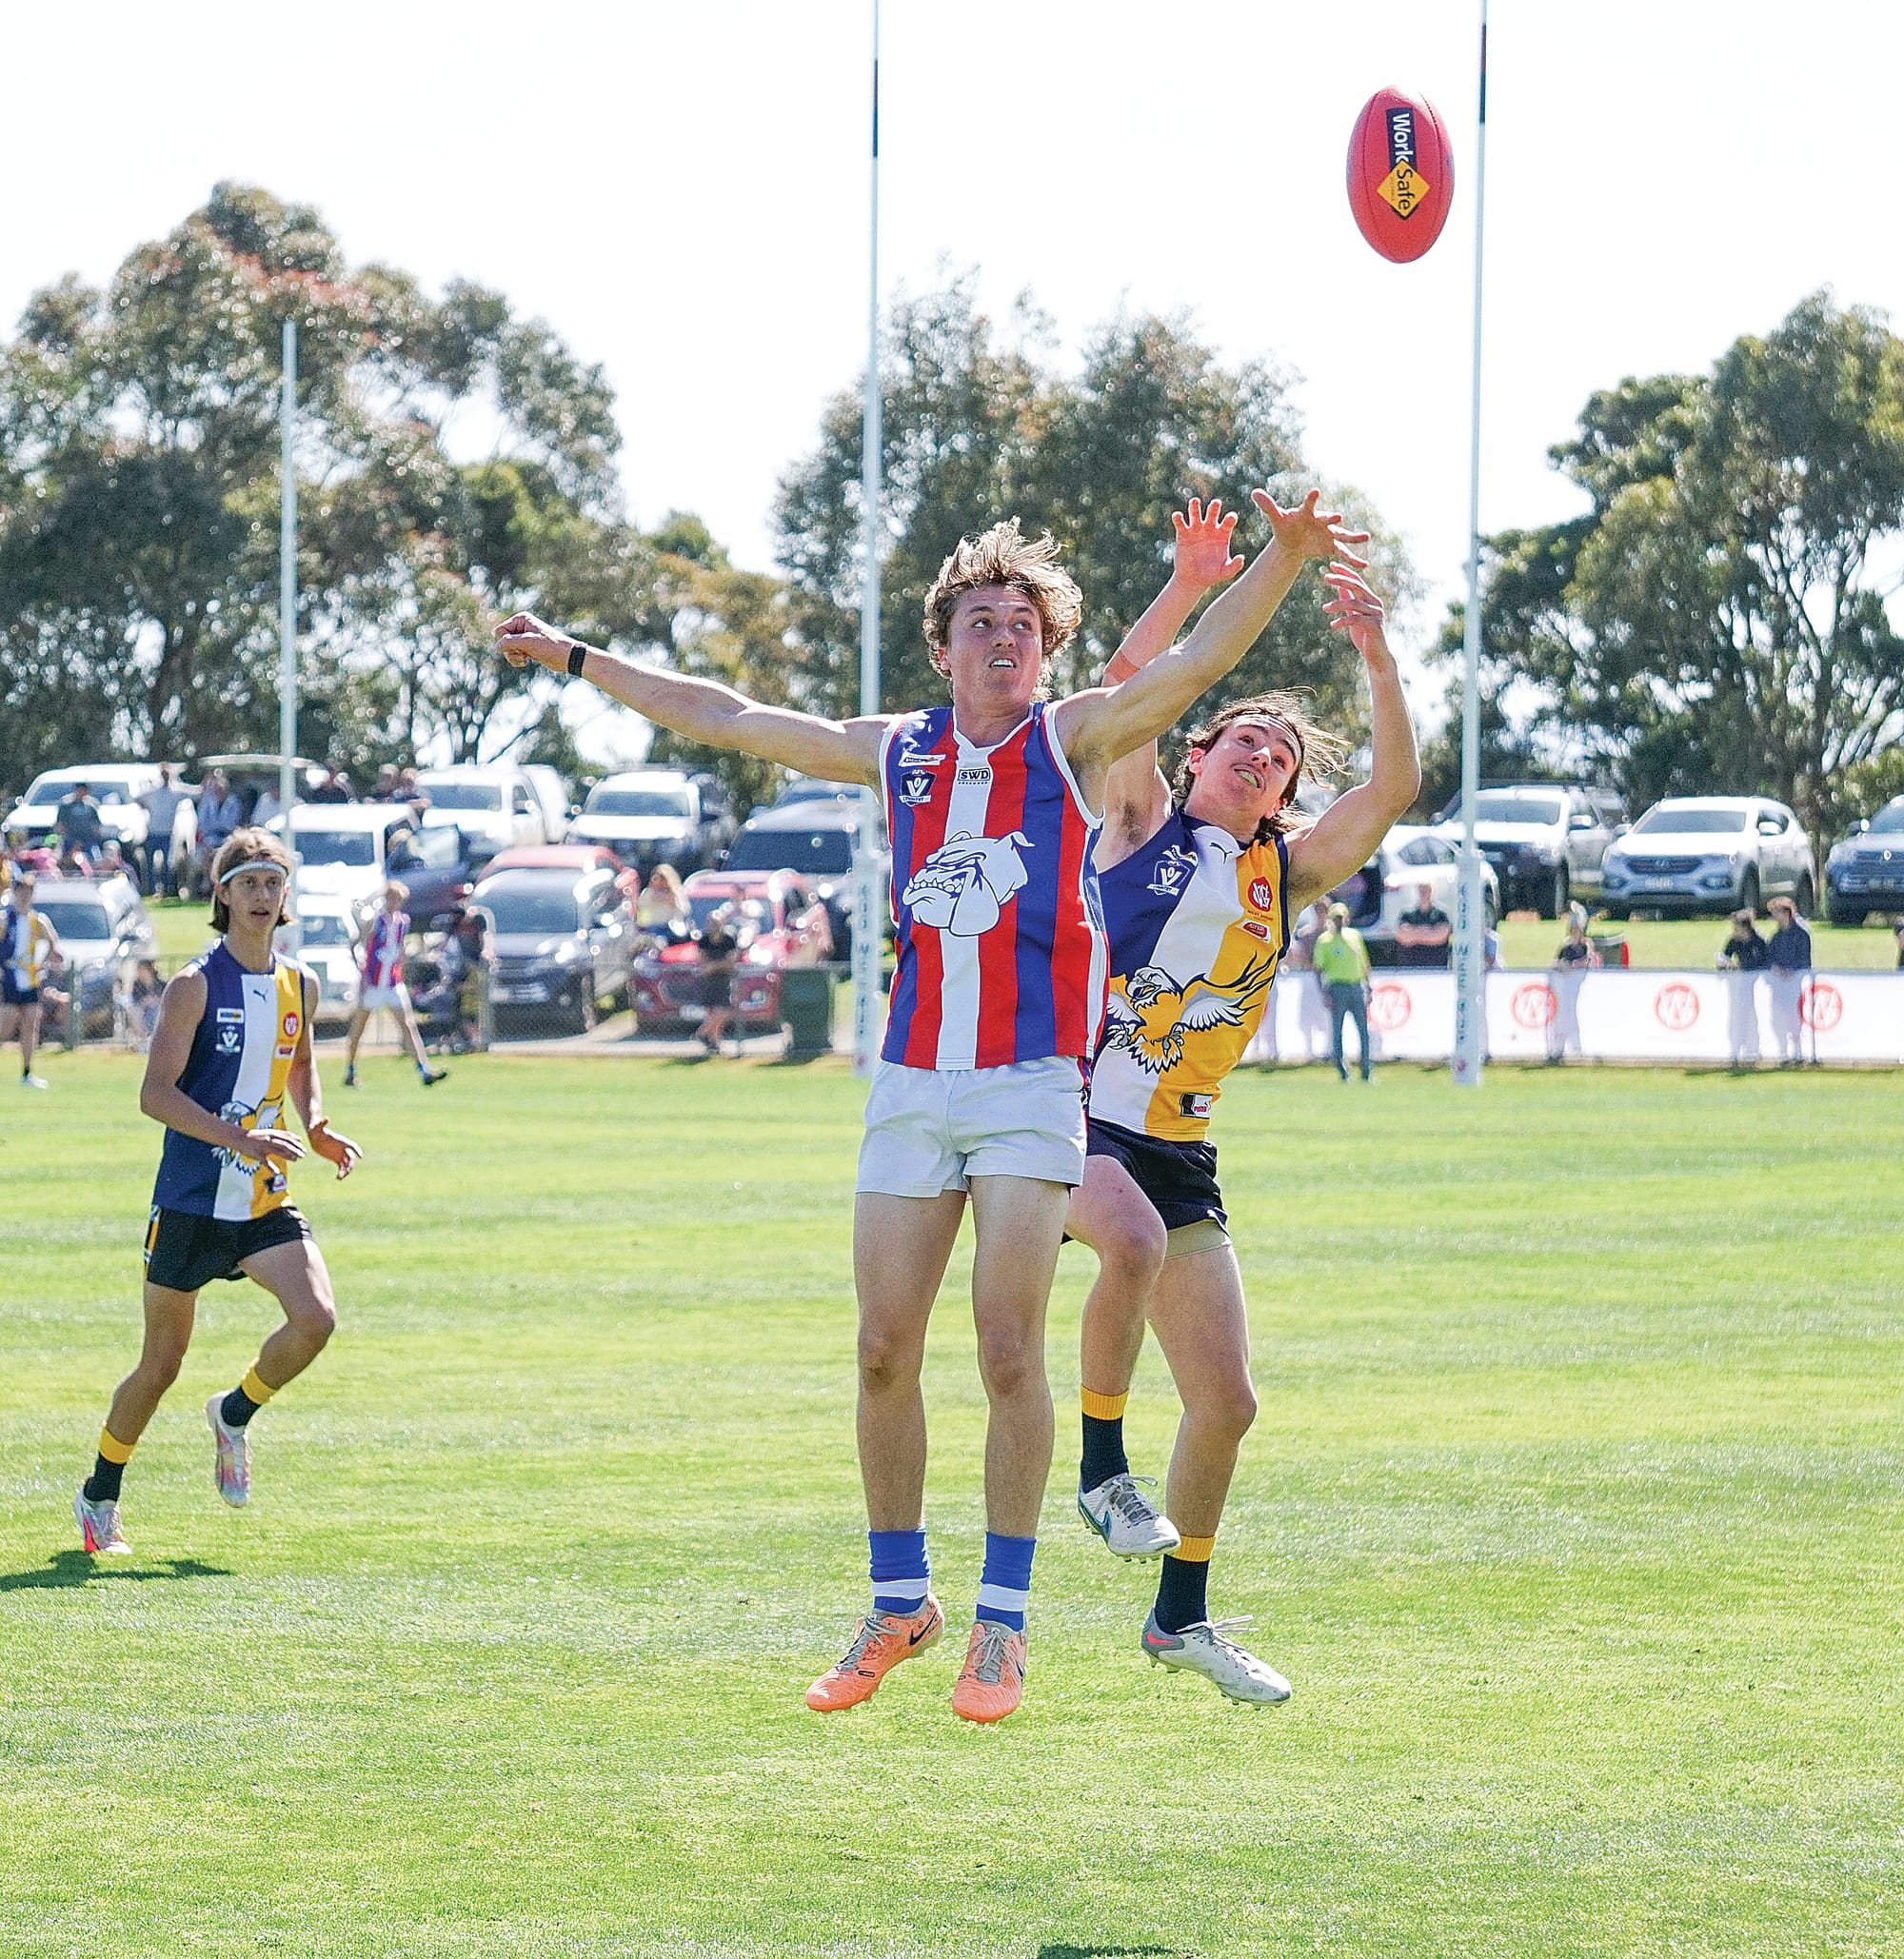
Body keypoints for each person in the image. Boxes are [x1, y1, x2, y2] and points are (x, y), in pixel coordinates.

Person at [494, 485, 1365, 1722]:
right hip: (910, 1082)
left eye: (1023, 622)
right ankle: (900, 1600)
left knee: (1005, 1346)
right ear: (946, 644)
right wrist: (579, 658)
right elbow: (727, 715)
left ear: (1045, 648)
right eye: (981, 621)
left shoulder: (1072, 737)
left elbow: (1201, 657)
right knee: (880, 1347)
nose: (1003, 637)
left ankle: (1002, 1625)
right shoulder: (894, 748)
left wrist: (1281, 558)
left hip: (1028, 1085)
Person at [1062, 541, 1417, 1705]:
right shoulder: (1136, 816)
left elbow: (1390, 792)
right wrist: (1189, 585)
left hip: (1181, 1147)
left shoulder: (1284, 871)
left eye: (1275, 759)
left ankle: (1180, 1618)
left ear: (1277, 795)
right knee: (1130, 1244)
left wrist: (1376, 658)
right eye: (1239, 741)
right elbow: (1123, 679)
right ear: (1198, 752)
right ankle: (1102, 1467)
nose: (1258, 758)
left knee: (1228, 1404)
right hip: (1070, 1112)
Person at [72, 828, 364, 1557]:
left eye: (274, 883)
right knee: (160, 1365)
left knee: (317, 1319)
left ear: (285, 896)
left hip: (262, 1198)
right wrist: (241, 1138)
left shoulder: (301, 983)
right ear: (224, 894)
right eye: (250, 882)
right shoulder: (193, 985)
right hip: (193, 1201)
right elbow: (155, 1096)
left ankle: (233, 1414)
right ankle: (99, 1494)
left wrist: (317, 1123)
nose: (263, 895)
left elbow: (298, 1066)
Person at [342, 881, 446, 1089]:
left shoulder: (402, 922)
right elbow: (356, 944)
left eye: (397, 899)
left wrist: (401, 969)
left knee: (407, 1024)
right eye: (391, 898)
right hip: (373, 982)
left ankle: (424, 1069)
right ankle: (350, 1069)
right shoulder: (375, 921)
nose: (394, 902)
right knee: (359, 1027)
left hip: (391, 982)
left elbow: (399, 950)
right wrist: (362, 973)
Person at [2, 870, 61, 1088]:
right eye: (21, 891)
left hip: (30, 980)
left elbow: (54, 945)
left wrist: (44, 964)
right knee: (6, 1024)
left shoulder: (37, 920)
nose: (25, 895)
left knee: (30, 1026)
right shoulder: (6, 919)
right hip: (9, 979)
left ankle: (27, 1073)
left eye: (29, 891)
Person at [1314, 901, 1374, 1081]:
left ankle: (1366, 1070)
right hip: (1336, 987)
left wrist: (1368, 986)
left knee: (1363, 1030)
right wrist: (1323, 993)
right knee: (1337, 1031)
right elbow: (1318, 969)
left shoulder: (1355, 936)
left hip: (1356, 986)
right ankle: (1342, 1070)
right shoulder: (1324, 940)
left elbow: (1364, 962)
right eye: (1336, 918)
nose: (1339, 922)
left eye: (1341, 918)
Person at [1547, 910, 1600, 1063]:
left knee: (1575, 1015)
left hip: (1578, 986)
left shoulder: (1585, 945)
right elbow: (1556, 962)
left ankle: (1578, 1048)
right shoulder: (1566, 947)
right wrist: (1563, 966)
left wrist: (1572, 966)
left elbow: (1587, 960)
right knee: (1563, 1016)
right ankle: (1559, 1048)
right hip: (1565, 987)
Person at [1765, 895, 1813, 1065]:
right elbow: (1768, 958)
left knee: (1795, 1019)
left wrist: (1791, 970)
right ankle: (1784, 1053)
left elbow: (1805, 960)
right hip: (1778, 985)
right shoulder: (1776, 937)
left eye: (1776, 912)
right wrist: (1775, 968)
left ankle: (1798, 1054)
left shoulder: (1800, 935)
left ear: (1786, 913)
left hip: (1795, 984)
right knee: (1777, 1019)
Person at [1717, 908, 1768, 1066]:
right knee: (1736, 1018)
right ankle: (1735, 1050)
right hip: (1738, 988)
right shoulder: (1734, 941)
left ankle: (1753, 1051)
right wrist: (1726, 965)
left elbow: (1764, 963)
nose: (1734, 931)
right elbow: (1724, 957)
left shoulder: (1759, 941)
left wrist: (1744, 969)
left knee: (1752, 1018)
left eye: (1736, 927)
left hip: (1755, 987)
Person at [693, 900, 744, 1055]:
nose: (714, 925)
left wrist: (713, 966)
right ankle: (715, 1043)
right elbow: (702, 962)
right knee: (712, 1012)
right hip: (708, 980)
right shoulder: (704, 940)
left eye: (716, 922)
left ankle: (701, 1033)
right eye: (711, 922)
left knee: (725, 1010)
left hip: (724, 978)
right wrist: (710, 967)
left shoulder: (728, 939)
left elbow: (731, 962)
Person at [135, 765, 189, 896]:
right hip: (153, 833)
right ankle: (150, 890)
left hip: (166, 833)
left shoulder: (174, 793)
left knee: (166, 863)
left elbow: (194, 793)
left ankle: (166, 889)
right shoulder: (153, 791)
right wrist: (145, 806)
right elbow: (137, 797)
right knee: (149, 863)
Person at [195, 769, 243, 881]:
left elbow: (231, 823)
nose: (219, 792)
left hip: (227, 836)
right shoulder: (207, 801)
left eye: (221, 790)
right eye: (217, 790)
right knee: (206, 853)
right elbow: (202, 821)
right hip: (210, 836)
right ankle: (207, 882)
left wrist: (219, 827)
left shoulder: (233, 802)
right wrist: (212, 829)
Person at [1394, 881, 1452, 967]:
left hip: (1437, 968)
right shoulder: (1406, 914)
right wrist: (1429, 931)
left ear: (1431, 892)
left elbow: (1441, 937)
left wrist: (1413, 933)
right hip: (1410, 968)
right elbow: (1401, 936)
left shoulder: (1441, 914)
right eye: (1421, 890)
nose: (1423, 893)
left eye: (1426, 890)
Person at [636, 863, 689, 937]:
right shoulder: (647, 893)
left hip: (672, 928)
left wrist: (670, 901)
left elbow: (684, 910)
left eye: (662, 878)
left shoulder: (677, 892)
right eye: (655, 878)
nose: (658, 881)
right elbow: (642, 917)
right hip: (653, 930)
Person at [128, 958, 165, 1052]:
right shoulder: (137, 985)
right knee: (135, 1011)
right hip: (143, 1011)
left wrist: (154, 1000)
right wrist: (146, 1001)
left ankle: (152, 1041)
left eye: (140, 969)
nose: (138, 972)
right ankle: (143, 1040)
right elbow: (137, 1002)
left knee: (156, 1011)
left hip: (158, 1010)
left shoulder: (161, 983)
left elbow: (165, 999)